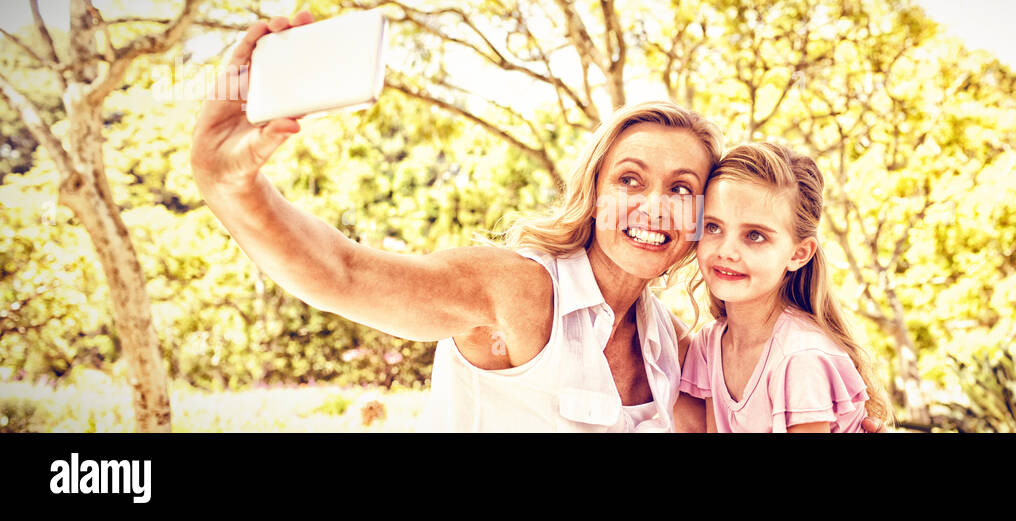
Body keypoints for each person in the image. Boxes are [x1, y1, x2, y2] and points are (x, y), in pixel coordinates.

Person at [190, 11, 884, 432]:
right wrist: (233, 186)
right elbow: (345, 272)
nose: (652, 207)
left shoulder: (673, 343)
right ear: (594, 192)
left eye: (681, 189)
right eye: (630, 179)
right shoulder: (517, 289)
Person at [677, 143, 894, 432]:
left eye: (754, 235)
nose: (726, 251)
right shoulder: (710, 344)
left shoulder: (801, 359)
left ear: (798, 254)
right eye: (713, 227)